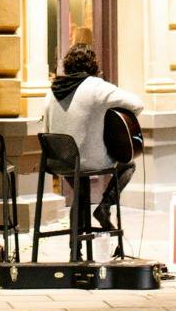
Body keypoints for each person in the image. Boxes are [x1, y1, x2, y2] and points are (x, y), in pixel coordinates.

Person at [46, 44, 144, 233]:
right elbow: (138, 105)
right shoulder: (96, 87)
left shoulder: (51, 90)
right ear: (92, 66)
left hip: (58, 160)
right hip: (88, 160)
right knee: (128, 164)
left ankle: (76, 250)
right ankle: (105, 206)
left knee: (80, 189)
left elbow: (46, 128)